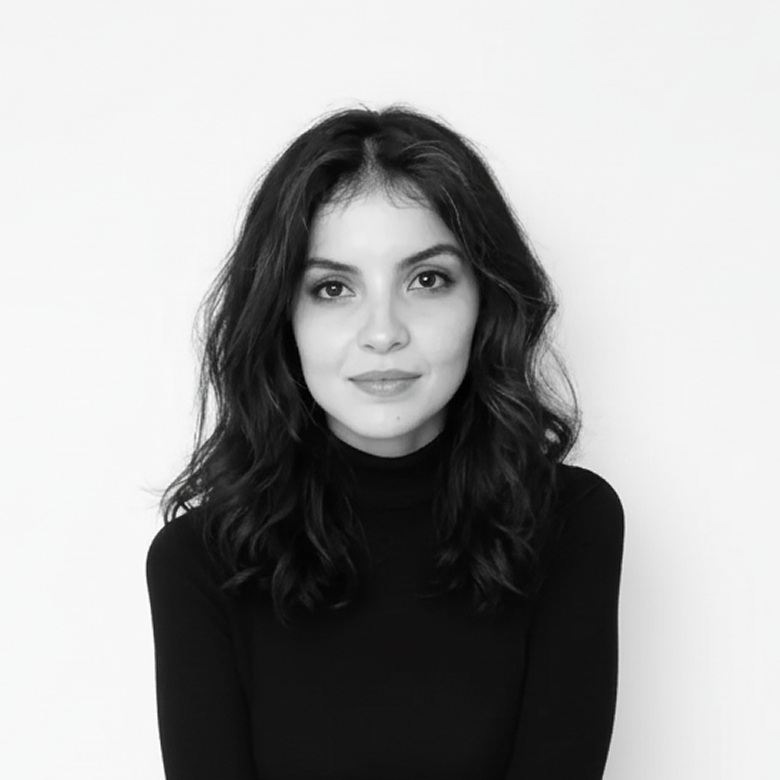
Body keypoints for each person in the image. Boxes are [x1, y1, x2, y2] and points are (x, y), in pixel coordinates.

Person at [146, 106, 625, 780]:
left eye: (426, 280)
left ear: (486, 301)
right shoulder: (197, 561)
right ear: (283, 315)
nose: (383, 332)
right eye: (333, 288)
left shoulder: (571, 522)